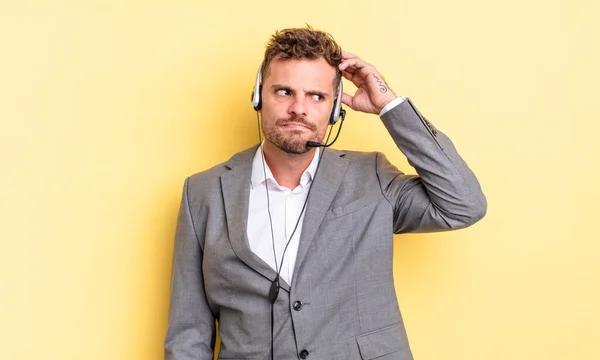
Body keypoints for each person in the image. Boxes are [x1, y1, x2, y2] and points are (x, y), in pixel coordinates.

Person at [165, 26, 486, 360]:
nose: (299, 109)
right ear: (259, 97)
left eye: (316, 96)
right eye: (284, 92)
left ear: (335, 109)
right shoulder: (202, 193)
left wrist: (389, 104)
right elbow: (188, 333)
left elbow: (463, 205)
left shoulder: (372, 177)